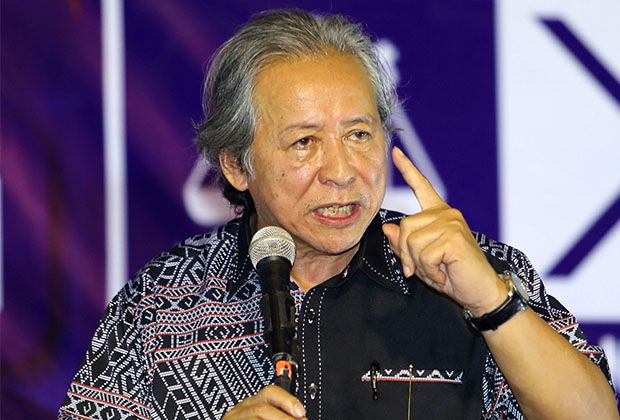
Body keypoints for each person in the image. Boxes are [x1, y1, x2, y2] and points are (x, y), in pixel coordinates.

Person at [60, 9, 618, 419]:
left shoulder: (473, 270)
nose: (342, 171)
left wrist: (493, 304)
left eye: (358, 134)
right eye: (304, 142)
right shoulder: (161, 302)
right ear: (235, 165)